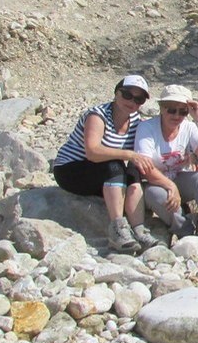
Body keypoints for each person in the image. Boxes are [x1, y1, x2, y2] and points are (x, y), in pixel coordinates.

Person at [53, 74, 160, 252]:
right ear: (116, 93)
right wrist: (128, 154)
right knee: (116, 165)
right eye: (127, 95)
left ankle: (139, 229)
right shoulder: (97, 115)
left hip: (100, 173)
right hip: (72, 169)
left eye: (139, 99)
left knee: (135, 169)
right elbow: (92, 151)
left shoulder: (135, 121)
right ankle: (117, 228)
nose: (132, 101)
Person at [134, 85, 198, 250]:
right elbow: (145, 167)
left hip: (178, 177)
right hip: (154, 182)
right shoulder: (147, 128)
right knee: (159, 196)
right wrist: (170, 186)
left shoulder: (188, 127)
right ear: (161, 108)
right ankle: (187, 231)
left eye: (182, 111)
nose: (177, 116)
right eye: (171, 110)